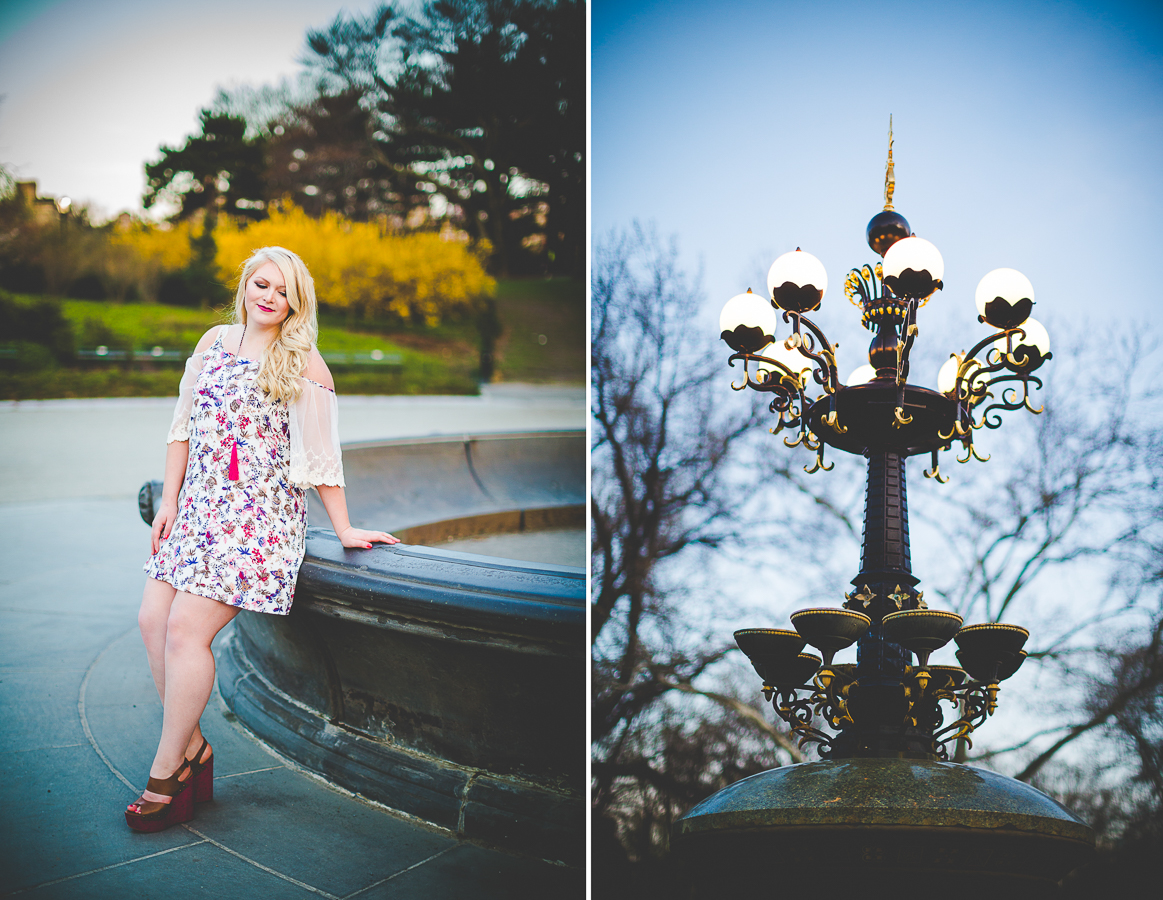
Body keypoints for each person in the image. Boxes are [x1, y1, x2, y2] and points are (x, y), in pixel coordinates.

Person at [125, 246, 398, 832]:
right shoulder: (212, 344)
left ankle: (167, 769)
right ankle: (195, 747)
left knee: (184, 630)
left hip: (257, 521)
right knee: (152, 621)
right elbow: (181, 430)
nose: (269, 297)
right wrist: (168, 500)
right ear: (245, 285)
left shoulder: (304, 363)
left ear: (296, 303)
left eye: (283, 291)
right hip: (197, 509)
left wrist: (345, 527)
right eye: (261, 284)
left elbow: (323, 459)